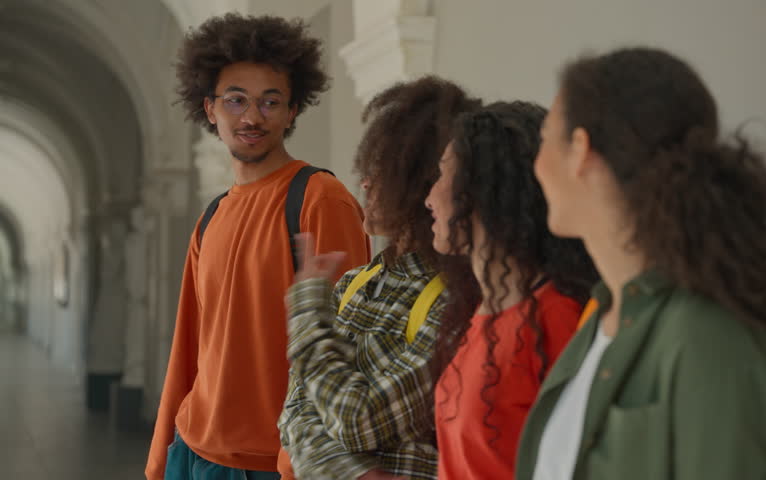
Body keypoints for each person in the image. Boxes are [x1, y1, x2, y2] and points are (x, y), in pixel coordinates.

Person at [516, 47, 766, 480]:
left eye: (545, 138)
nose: (537, 164)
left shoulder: (710, 341)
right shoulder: (598, 319)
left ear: (580, 150)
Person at [145, 13, 371, 480]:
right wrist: (159, 460)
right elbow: (188, 346)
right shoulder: (211, 217)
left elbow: (347, 351)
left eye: (270, 101)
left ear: (292, 111)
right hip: (195, 454)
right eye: (235, 100)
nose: (251, 117)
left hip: (274, 464)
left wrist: (298, 466)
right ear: (209, 109)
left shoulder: (320, 200)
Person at [279, 76, 481, 480]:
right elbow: (293, 415)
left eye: (383, 171)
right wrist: (356, 474)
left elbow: (357, 421)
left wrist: (308, 317)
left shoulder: (454, 300)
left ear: (422, 184)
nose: (365, 182)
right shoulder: (353, 283)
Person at [424, 101, 599, 480]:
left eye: (442, 173)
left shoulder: (558, 318)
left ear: (484, 187)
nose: (429, 197)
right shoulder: (476, 315)